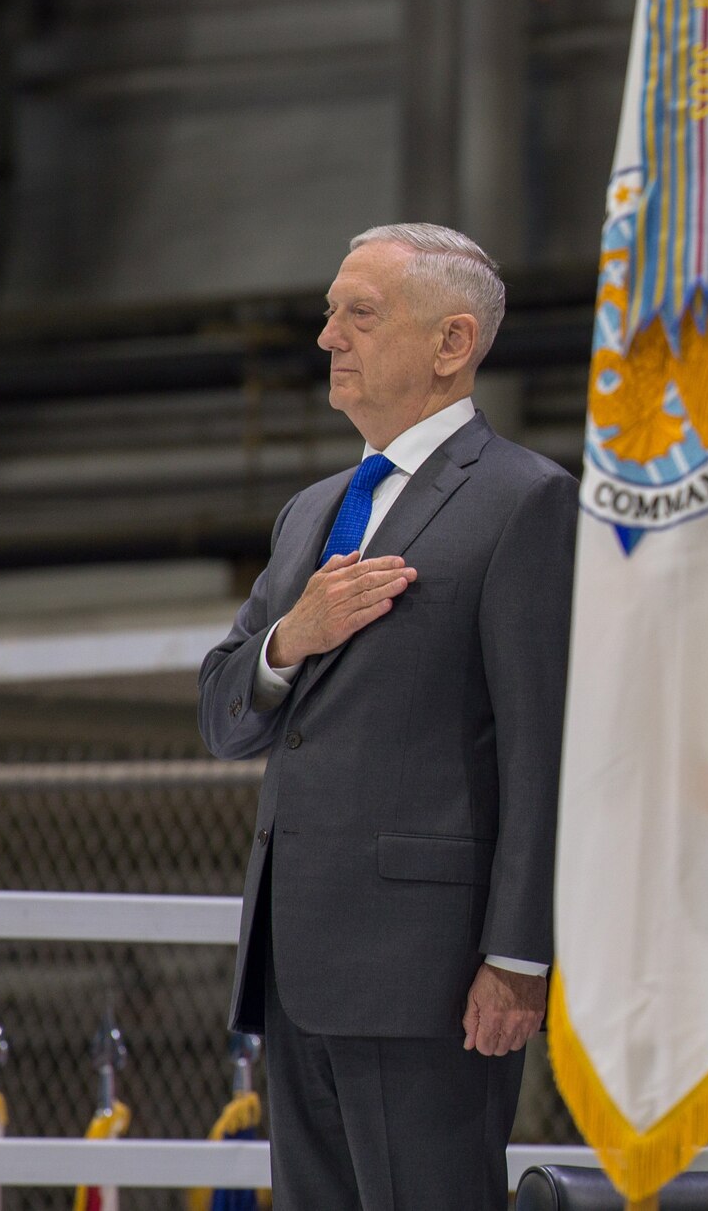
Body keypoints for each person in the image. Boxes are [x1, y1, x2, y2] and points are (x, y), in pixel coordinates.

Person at [196, 223, 576, 1209]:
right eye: (329, 313)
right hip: (294, 963)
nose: (327, 337)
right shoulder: (309, 512)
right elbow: (222, 710)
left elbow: (543, 747)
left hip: (431, 971)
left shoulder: (525, 500)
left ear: (452, 344)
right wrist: (293, 638)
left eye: (358, 314)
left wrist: (518, 956)